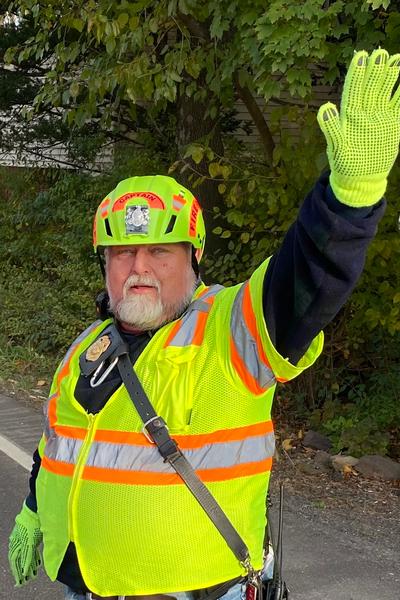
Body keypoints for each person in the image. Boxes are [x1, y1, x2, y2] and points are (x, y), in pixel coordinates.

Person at [8, 49, 400, 600]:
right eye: (121, 253)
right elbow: (57, 445)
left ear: (194, 259)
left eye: (160, 251)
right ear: (104, 263)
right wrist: (31, 511)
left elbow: (306, 282)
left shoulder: (230, 329)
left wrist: (347, 201)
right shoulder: (85, 348)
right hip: (85, 586)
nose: (138, 268)